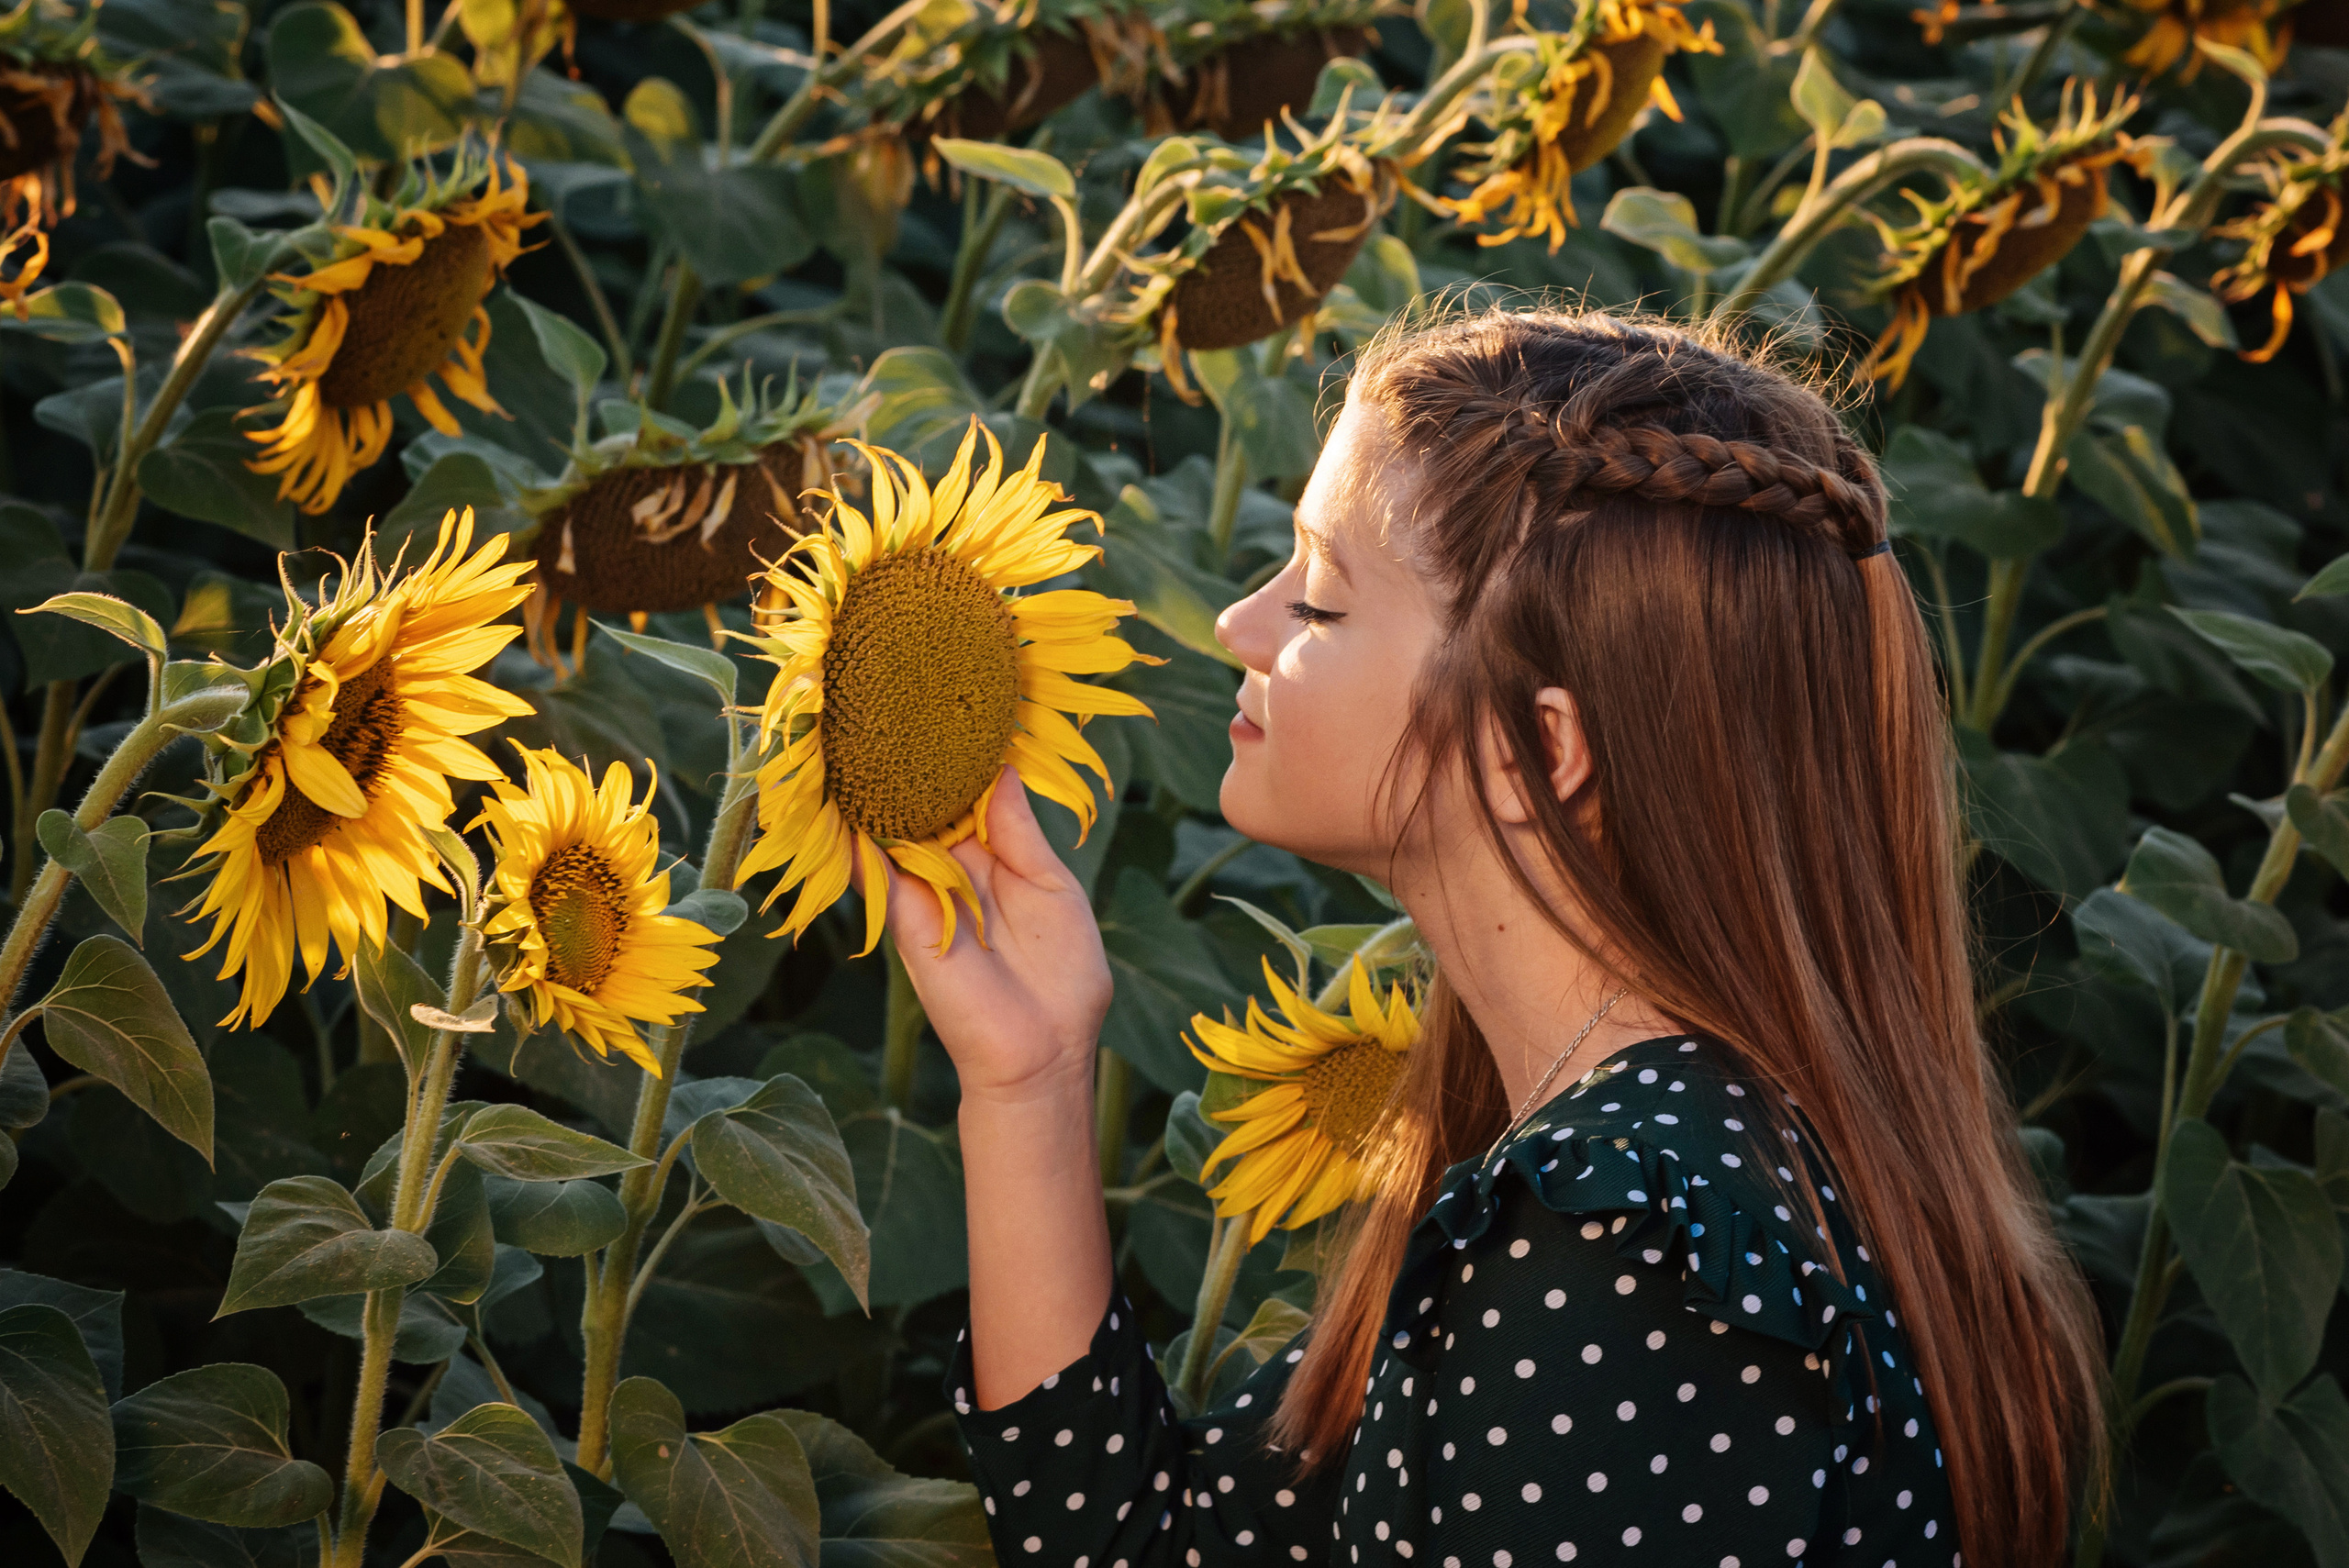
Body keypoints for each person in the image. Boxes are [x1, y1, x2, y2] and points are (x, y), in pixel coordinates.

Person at [873, 307, 2106, 1568]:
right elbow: (1154, 1548)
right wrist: (1029, 1077)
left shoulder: (1622, 1254)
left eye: (1320, 602)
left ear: (1535, 750)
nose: (1241, 627)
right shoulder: (1638, 1165)